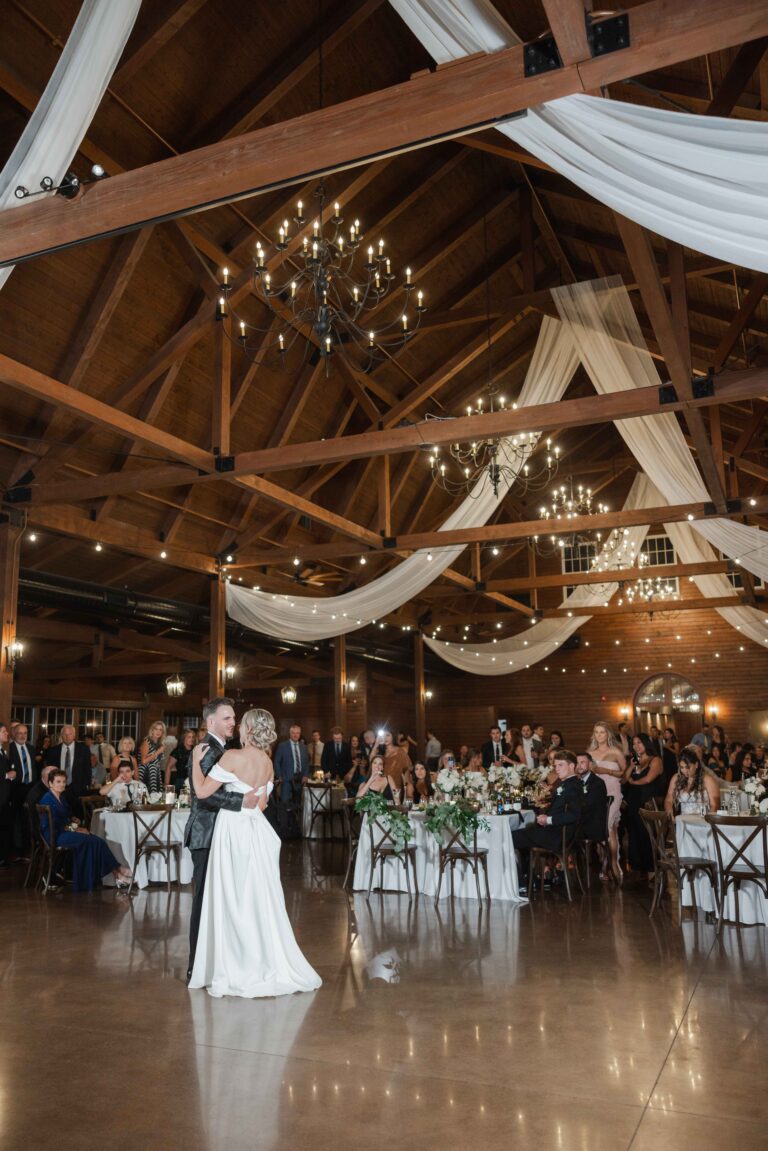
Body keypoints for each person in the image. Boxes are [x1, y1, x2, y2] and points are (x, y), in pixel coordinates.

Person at [189, 707, 321, 999]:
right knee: (256, 896)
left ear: (247, 729)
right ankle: (260, 958)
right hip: (258, 832)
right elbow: (259, 806)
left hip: (233, 831)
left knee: (233, 896)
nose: (236, 727)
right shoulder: (268, 762)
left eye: (240, 724)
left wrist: (198, 763)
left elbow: (201, 792)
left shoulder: (232, 757)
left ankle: (236, 963)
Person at [184, 698, 259, 983]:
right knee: (203, 900)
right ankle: (195, 967)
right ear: (211, 721)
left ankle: (215, 962)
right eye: (227, 718)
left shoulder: (222, 749)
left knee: (218, 901)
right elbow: (203, 794)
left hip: (221, 833)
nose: (232, 723)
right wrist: (242, 800)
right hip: (206, 834)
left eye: (234, 718)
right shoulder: (206, 749)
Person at [39, 770, 132, 891]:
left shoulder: (60, 797)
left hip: (63, 832)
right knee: (93, 841)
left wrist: (73, 820)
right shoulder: (48, 799)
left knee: (97, 841)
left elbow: (65, 818)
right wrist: (78, 829)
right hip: (55, 836)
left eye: (63, 781)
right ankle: (118, 871)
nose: (62, 784)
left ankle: (117, 872)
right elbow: (57, 824)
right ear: (50, 783)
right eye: (58, 782)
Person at [511, 750, 584, 893]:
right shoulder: (568, 784)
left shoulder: (572, 786)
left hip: (557, 836)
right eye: (556, 765)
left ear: (572, 766)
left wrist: (548, 819)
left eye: (561, 765)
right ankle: (532, 878)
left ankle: (519, 883)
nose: (557, 769)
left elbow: (575, 814)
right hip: (555, 833)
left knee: (510, 837)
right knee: (525, 830)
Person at [587, 721, 626, 885]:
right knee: (604, 830)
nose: (599, 735)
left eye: (602, 732)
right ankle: (605, 863)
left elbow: (624, 775)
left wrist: (607, 771)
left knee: (608, 827)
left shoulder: (616, 752)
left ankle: (614, 864)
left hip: (613, 791)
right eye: (596, 732)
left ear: (608, 734)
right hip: (596, 794)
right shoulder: (589, 753)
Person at [623, 733, 664, 881]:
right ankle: (638, 867)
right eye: (634, 744)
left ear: (646, 743)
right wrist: (630, 768)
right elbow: (624, 779)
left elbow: (648, 779)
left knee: (648, 834)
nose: (636, 746)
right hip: (634, 801)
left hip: (647, 801)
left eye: (639, 743)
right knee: (635, 834)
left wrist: (633, 782)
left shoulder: (655, 760)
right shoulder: (635, 759)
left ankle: (653, 867)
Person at [664, 746, 720, 815]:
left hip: (703, 821)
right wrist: (671, 815)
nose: (685, 771)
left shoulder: (708, 780)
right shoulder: (676, 778)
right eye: (682, 767)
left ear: (696, 765)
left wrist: (707, 821)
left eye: (688, 767)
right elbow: (668, 800)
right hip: (683, 821)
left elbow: (715, 805)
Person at [44, 725, 92, 804]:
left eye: (70, 734)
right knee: (60, 813)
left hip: (78, 788)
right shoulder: (53, 750)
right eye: (65, 734)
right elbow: (50, 771)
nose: (67, 736)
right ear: (61, 736)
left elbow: (87, 768)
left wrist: (87, 784)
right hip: (58, 788)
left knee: (78, 814)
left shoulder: (84, 749)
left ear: (74, 735)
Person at [9, 723, 36, 855]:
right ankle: (17, 849)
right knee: (15, 820)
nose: (22, 736)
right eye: (20, 733)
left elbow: (35, 769)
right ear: (14, 734)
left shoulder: (31, 749)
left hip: (30, 789)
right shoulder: (9, 749)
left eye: (25, 733)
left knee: (29, 819)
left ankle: (28, 849)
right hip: (15, 789)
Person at [575, 752, 609, 843]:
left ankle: (567, 855)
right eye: (577, 763)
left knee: (562, 830)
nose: (579, 766)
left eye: (582, 762)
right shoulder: (577, 782)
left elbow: (587, 807)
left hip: (592, 826)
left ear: (590, 764)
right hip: (581, 822)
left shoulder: (597, 783)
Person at [273, 724, 310, 803]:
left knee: (299, 803)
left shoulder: (304, 747)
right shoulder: (282, 746)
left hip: (300, 780)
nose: (296, 735)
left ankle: (296, 815)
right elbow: (276, 762)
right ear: (290, 734)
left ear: (300, 734)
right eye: (293, 733)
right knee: (285, 802)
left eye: (298, 733)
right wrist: (279, 776)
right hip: (286, 779)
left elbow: (307, 763)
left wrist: (306, 775)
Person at [138, 721, 167, 794]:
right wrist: (158, 752)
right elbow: (143, 761)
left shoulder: (160, 744)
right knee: (146, 796)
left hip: (155, 772)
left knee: (156, 797)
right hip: (145, 772)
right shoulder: (147, 742)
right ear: (152, 730)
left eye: (160, 730)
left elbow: (157, 762)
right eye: (156, 729)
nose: (158, 732)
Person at [0, 722, 14, 868]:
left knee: (4, 828)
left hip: (4, 797)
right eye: (4, 731)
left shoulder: (2, 751)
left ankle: (3, 858)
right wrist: (6, 775)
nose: (7, 734)